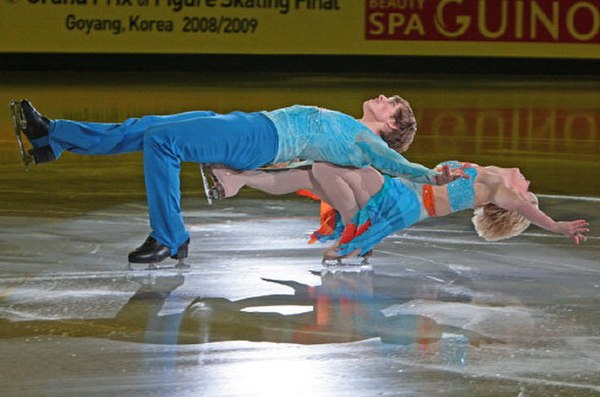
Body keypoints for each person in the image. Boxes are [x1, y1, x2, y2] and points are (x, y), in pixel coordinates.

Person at [10, 96, 468, 265]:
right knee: (148, 127)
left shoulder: (369, 145)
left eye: (392, 106)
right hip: (251, 122)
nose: (385, 98)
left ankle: (170, 237)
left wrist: (432, 174)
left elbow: (403, 168)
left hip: (258, 140)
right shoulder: (349, 124)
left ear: (390, 127)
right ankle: (51, 135)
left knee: (163, 144)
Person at [206, 161, 589, 261]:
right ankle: (237, 180)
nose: (528, 184)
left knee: (331, 169)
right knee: (314, 174)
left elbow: (525, 208)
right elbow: (439, 175)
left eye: (529, 194)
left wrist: (556, 226)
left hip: (406, 201)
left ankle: (355, 237)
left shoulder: (498, 190)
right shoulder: (485, 172)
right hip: (406, 191)